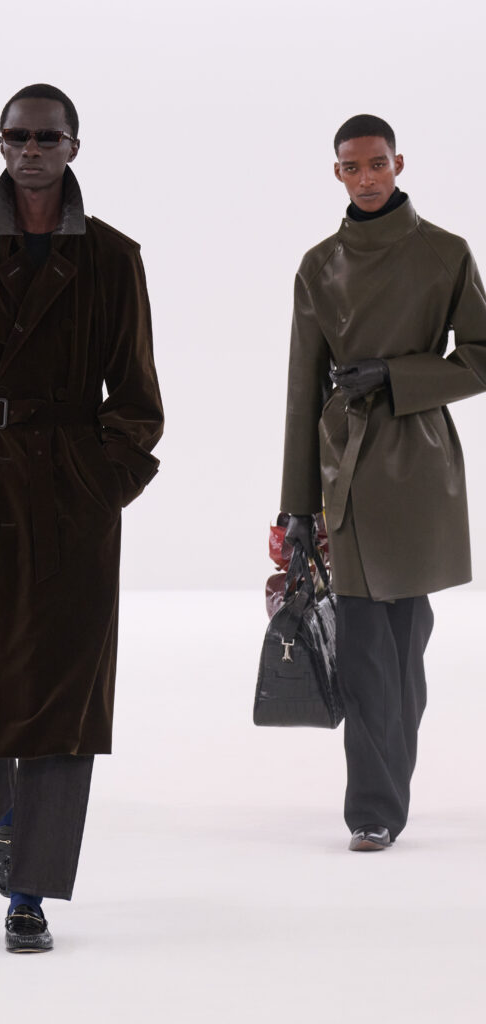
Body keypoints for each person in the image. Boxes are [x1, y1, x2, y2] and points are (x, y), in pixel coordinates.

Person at [0, 83, 163, 950]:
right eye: (17, 135)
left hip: (68, 503)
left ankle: (30, 893)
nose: (30, 149)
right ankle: (8, 815)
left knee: (60, 698)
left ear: (73, 146)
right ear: (0, 142)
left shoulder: (113, 258)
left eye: (47, 137)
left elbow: (138, 400)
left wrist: (100, 486)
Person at [280, 113, 486, 852]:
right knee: (367, 640)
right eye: (351, 167)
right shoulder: (318, 265)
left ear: (399, 163)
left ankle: (387, 789)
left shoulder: (445, 253)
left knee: (407, 641)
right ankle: (373, 807)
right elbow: (303, 391)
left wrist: (395, 375)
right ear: (336, 172)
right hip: (349, 465)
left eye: (376, 163)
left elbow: (482, 356)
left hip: (422, 463)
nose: (365, 178)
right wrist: (295, 508)